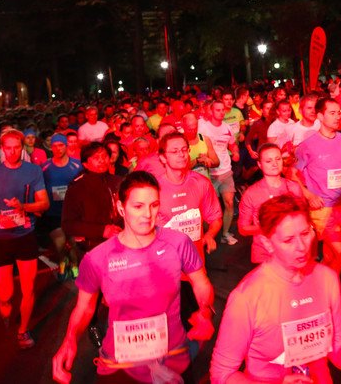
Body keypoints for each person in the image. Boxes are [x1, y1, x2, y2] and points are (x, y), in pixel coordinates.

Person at [52, 172, 216, 383]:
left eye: (154, 205)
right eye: (138, 206)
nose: (147, 214)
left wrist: (205, 312)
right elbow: (84, 308)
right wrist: (69, 340)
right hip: (122, 367)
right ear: (121, 208)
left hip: (172, 360)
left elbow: (201, 283)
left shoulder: (178, 243)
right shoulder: (98, 258)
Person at [210, 195, 341, 384]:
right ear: (267, 243)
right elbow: (222, 374)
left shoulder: (327, 279)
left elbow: (339, 344)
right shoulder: (247, 297)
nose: (301, 247)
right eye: (288, 240)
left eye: (305, 233)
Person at [0, 128, 50, 349]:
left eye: (17, 147)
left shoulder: (33, 171)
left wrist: (23, 206)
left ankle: (23, 330)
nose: (13, 152)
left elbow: (44, 203)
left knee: (29, 288)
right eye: (8, 148)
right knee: (5, 295)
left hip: (25, 235)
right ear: (1, 149)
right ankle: (6, 308)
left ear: (22, 147)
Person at [292, 98, 341, 273]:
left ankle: (316, 284)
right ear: (320, 116)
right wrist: (309, 195)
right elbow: (292, 175)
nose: (338, 117)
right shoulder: (307, 145)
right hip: (322, 209)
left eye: (338, 113)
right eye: (332, 113)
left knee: (330, 257)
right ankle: (328, 287)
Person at [155, 132, 222, 258]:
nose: (181, 154)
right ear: (163, 158)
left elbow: (215, 218)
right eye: (174, 151)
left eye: (184, 150)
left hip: (195, 260)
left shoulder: (201, 183)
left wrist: (209, 235)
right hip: (165, 261)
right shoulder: (154, 189)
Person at [237, 143, 305, 264]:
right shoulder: (251, 193)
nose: (275, 164)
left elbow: (303, 218)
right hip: (265, 254)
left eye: (278, 159)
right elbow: (243, 229)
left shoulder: (294, 188)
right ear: (260, 164)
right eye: (268, 161)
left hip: (292, 252)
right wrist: (268, 227)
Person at [41, 134, 83, 277]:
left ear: (66, 146)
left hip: (73, 212)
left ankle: (74, 265)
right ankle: (62, 262)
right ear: (50, 147)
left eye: (61, 145)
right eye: (54, 146)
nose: (58, 149)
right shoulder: (44, 167)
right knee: (60, 244)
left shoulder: (77, 165)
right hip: (53, 212)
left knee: (73, 242)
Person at [199, 98, 240, 245]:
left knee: (229, 203)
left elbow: (232, 144)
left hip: (225, 170)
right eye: (218, 110)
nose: (221, 112)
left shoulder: (227, 128)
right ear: (211, 111)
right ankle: (209, 236)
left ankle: (225, 233)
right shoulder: (203, 127)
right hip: (208, 173)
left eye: (223, 110)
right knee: (209, 209)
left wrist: (235, 152)